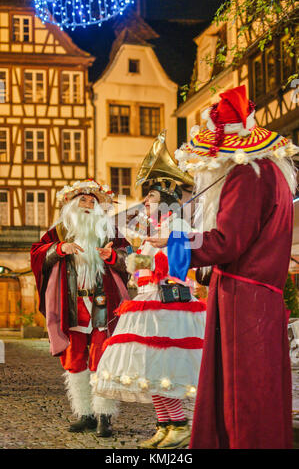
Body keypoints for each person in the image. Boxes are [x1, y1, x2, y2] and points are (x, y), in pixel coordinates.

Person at [147, 85, 299, 449]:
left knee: (241, 389)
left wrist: (174, 242)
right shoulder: (271, 172)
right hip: (261, 293)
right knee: (259, 387)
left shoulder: (246, 175)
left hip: (242, 297)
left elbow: (228, 241)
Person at [91, 176, 206, 449]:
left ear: (167, 202)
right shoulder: (153, 229)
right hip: (146, 301)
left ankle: (178, 425)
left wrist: (159, 249)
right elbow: (144, 266)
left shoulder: (177, 225)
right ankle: (165, 425)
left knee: (162, 364)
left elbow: (179, 262)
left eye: (151, 197)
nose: (144, 201)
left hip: (165, 303)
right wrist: (122, 257)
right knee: (149, 368)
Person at [31, 179, 129, 437]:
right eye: (82, 200)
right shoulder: (59, 232)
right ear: (72, 205)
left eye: (92, 201)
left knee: (102, 360)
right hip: (71, 307)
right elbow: (37, 253)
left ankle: (104, 416)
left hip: (103, 306)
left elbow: (129, 256)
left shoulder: (110, 232)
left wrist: (114, 257)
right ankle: (85, 414)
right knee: (75, 362)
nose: (87, 204)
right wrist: (59, 248)